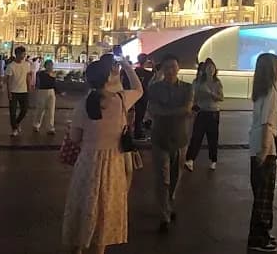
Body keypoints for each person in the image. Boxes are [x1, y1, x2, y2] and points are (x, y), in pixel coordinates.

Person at [61, 56, 143, 253]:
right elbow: (139, 89)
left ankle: (78, 245)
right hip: (113, 163)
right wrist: (126, 65)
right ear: (108, 78)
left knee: (84, 204)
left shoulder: (82, 105)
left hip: (88, 162)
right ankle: (99, 248)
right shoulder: (121, 100)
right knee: (106, 207)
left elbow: (75, 137)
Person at [146, 54, 193, 233]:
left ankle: (169, 202)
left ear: (178, 68)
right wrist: (178, 111)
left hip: (180, 138)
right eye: (167, 67)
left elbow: (187, 108)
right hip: (160, 137)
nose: (170, 70)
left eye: (173, 66)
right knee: (162, 178)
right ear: (162, 69)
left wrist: (164, 112)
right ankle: (164, 213)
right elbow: (153, 109)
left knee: (175, 176)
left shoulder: (188, 88)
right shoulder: (155, 88)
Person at [247, 53, 277, 252]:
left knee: (259, 191)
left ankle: (261, 234)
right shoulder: (271, 90)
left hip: (256, 143)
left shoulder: (260, 90)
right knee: (264, 194)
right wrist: (265, 150)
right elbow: (268, 123)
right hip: (264, 146)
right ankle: (259, 237)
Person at [184, 58, 224, 171]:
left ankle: (213, 160)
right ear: (204, 69)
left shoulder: (217, 82)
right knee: (196, 136)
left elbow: (221, 97)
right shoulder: (198, 82)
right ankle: (190, 160)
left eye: (212, 67)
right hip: (202, 111)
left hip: (213, 112)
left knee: (213, 137)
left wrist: (210, 93)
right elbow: (193, 96)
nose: (210, 70)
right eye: (208, 68)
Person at [5, 47, 33, 137]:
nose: (24, 55)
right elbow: (8, 80)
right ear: (17, 54)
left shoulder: (27, 65)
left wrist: (29, 87)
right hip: (13, 91)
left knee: (24, 110)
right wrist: (8, 92)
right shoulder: (11, 66)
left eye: (24, 54)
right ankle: (14, 129)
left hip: (24, 91)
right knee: (12, 112)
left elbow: (28, 76)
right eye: (23, 54)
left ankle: (16, 123)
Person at [129, 54, 155, 140]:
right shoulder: (148, 74)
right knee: (140, 116)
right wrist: (153, 65)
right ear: (146, 61)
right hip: (143, 96)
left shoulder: (134, 72)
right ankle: (138, 133)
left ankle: (130, 132)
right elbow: (156, 74)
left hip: (133, 95)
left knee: (131, 115)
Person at [33, 59, 58, 135]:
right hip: (42, 91)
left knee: (51, 110)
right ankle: (36, 125)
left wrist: (59, 92)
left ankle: (50, 128)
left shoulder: (53, 73)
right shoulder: (41, 73)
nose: (50, 67)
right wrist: (50, 75)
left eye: (51, 65)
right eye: (49, 65)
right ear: (45, 66)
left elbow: (54, 84)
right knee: (40, 109)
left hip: (51, 91)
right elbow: (43, 82)